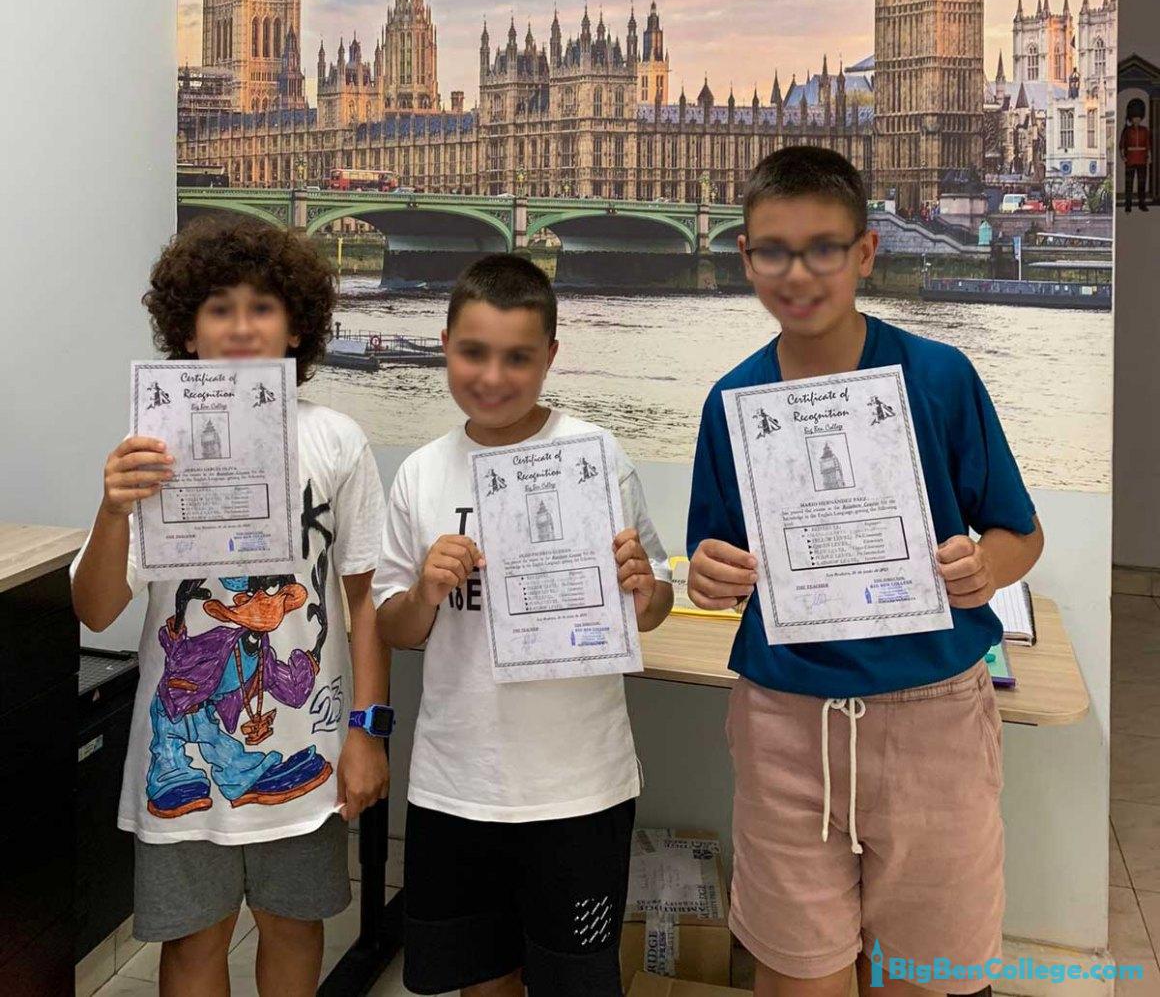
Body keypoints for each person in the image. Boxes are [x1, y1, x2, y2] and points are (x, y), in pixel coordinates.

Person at [686, 148, 1044, 997]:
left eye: (823, 248)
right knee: (796, 975)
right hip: (784, 723)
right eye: (775, 251)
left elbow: (1020, 535)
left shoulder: (940, 376)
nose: (798, 273)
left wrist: (983, 566)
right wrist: (709, 574)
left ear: (866, 253)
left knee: (925, 976)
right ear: (746, 258)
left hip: (932, 721)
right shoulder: (731, 400)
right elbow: (714, 561)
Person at [71, 217, 391, 997]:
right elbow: (96, 609)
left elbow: (364, 602)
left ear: (298, 325)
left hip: (308, 750)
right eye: (219, 308)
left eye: (263, 307)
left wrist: (366, 732)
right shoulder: (152, 448)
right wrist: (113, 509)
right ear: (187, 328)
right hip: (179, 757)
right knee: (192, 943)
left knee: (294, 930)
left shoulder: (338, 441)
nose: (242, 327)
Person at [374, 253, 673, 997]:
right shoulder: (421, 473)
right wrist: (425, 591)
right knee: (481, 980)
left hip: (579, 787)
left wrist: (642, 589)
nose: (492, 377)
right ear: (444, 346)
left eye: (518, 358)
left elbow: (657, 602)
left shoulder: (595, 456)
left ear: (550, 357)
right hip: (457, 783)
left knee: (575, 981)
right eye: (473, 352)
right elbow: (395, 628)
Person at [1120, 98, 1151, 213]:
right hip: (1130, 160)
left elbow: (1147, 144)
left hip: (1142, 159)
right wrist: (1123, 156)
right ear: (1131, 118)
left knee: (1141, 184)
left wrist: (1149, 156)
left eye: (1138, 117)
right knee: (1129, 184)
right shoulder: (1127, 131)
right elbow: (1122, 145)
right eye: (1134, 117)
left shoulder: (1145, 130)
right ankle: (1128, 205)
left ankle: (1142, 204)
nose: (1137, 120)